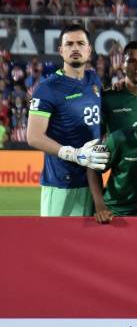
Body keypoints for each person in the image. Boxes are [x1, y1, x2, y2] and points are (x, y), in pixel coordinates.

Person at [27, 24, 109, 217]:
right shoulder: (47, 88)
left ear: (89, 50)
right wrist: (74, 154)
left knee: (89, 246)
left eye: (81, 43)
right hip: (60, 183)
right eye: (69, 44)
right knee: (53, 245)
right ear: (61, 51)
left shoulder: (94, 80)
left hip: (91, 182)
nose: (75, 48)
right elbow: (33, 136)